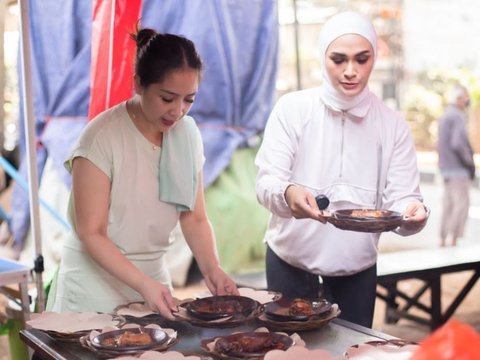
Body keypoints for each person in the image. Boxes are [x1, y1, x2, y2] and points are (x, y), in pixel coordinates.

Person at [46, 28, 238, 318]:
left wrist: (212, 269)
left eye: (189, 99)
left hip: (153, 283)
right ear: (139, 84)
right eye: (168, 98)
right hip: (92, 287)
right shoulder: (101, 137)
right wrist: (143, 284)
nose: (178, 110)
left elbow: (194, 216)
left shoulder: (187, 134)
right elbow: (91, 232)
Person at [255, 11, 428, 328]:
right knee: (288, 351)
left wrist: (413, 212)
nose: (351, 71)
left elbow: (403, 200)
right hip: (290, 265)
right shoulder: (293, 109)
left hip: (356, 271)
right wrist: (289, 192)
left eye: (362, 60)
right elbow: (267, 183)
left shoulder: (392, 125)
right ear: (323, 57)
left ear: (374, 57)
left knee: (352, 350)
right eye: (339, 59)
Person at [437, 85, 475, 247]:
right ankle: (453, 241)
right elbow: (457, 143)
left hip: (446, 169)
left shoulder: (445, 115)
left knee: (448, 205)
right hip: (458, 169)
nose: (467, 100)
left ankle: (443, 240)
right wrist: (470, 162)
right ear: (459, 99)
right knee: (460, 205)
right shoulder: (458, 116)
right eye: (465, 97)